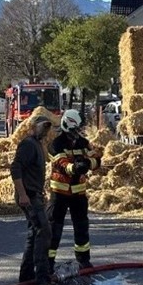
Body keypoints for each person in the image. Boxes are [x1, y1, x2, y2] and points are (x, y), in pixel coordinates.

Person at [47, 109, 101, 271]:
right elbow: (61, 164)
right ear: (67, 127)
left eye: (78, 130)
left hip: (78, 193)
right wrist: (75, 167)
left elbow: (97, 160)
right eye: (75, 130)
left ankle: (84, 260)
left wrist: (88, 164)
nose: (77, 134)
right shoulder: (55, 145)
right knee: (54, 227)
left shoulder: (83, 143)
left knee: (82, 227)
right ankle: (48, 261)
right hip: (59, 194)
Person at [12, 115, 57, 285]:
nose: (45, 131)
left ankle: (26, 276)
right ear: (32, 127)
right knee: (44, 231)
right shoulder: (28, 144)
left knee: (34, 232)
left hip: (34, 194)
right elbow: (15, 168)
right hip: (29, 196)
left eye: (47, 128)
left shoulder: (38, 144)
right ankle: (42, 280)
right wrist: (23, 194)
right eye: (42, 127)